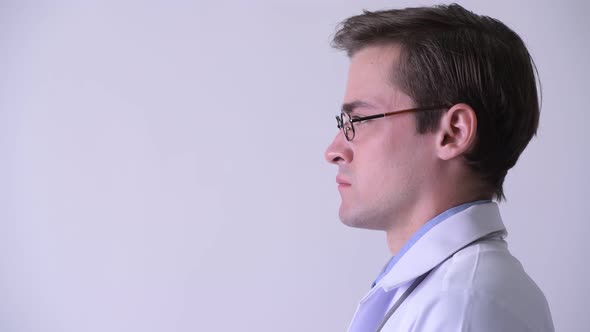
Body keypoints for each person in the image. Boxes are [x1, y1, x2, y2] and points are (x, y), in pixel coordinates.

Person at [324, 4, 554, 332]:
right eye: (343, 122)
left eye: (359, 120)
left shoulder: (463, 307)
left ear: (453, 133)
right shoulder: (445, 293)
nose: (333, 151)